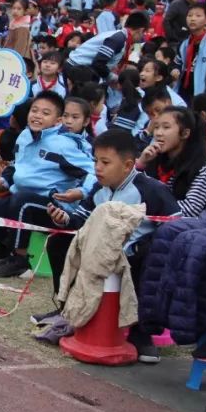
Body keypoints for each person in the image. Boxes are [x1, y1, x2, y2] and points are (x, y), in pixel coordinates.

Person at [41, 130, 181, 361]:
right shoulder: (98, 190)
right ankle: (66, 308)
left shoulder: (152, 190)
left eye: (105, 162)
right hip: (97, 251)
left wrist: (147, 243)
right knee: (59, 242)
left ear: (127, 165)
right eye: (96, 160)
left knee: (148, 258)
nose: (98, 167)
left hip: (132, 255)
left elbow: (177, 225)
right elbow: (80, 221)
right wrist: (63, 219)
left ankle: (140, 332)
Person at [0, 91, 95, 278]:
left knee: (22, 201)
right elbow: (17, 165)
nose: (37, 115)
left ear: (57, 120)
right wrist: (5, 181)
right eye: (34, 110)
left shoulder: (63, 145)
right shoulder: (24, 136)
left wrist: (80, 192)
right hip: (19, 199)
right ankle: (6, 246)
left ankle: (19, 260)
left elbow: (93, 172)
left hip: (53, 206)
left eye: (45, 113)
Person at [137, 106, 206, 217]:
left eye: (166, 127)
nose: (158, 133)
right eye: (156, 127)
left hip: (187, 228)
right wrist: (141, 163)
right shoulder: (154, 158)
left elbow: (190, 210)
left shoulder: (200, 167)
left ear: (185, 134)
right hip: (152, 219)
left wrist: (149, 207)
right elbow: (131, 192)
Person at [63, 12, 149, 82]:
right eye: (143, 33)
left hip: (81, 67)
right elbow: (98, 64)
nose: (142, 36)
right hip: (76, 68)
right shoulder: (118, 38)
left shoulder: (123, 37)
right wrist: (114, 78)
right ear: (140, 30)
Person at [171, 3, 206, 101]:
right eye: (189, 15)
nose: (192, 19)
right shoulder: (184, 44)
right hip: (181, 93)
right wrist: (175, 69)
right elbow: (176, 63)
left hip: (200, 97)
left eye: (198, 15)